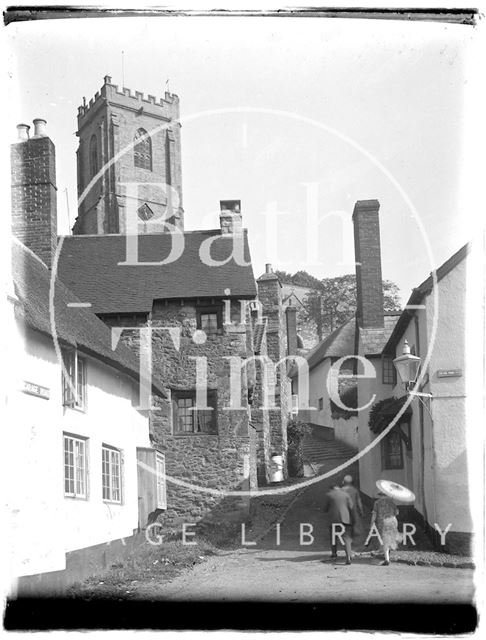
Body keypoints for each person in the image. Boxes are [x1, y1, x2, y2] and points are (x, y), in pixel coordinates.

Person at [323, 484, 354, 564]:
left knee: (333, 536)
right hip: (345, 519)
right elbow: (351, 507)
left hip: (333, 519)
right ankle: (348, 556)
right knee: (346, 538)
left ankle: (334, 553)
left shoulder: (329, 495)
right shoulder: (346, 495)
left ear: (332, 489)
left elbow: (325, 508)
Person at [371, 492, 401, 566]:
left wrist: (372, 523)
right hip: (393, 521)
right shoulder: (392, 502)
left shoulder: (377, 503)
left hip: (383, 522)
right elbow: (396, 513)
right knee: (390, 538)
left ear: (380, 495)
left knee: (385, 540)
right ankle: (387, 553)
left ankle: (387, 559)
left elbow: (374, 514)